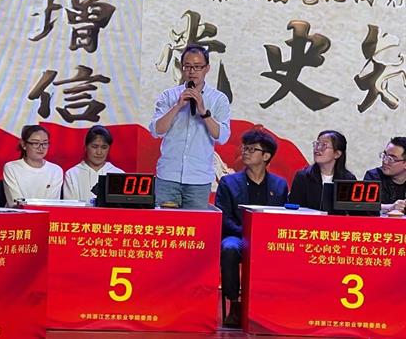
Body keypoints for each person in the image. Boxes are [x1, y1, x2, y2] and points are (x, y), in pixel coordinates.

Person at [215, 129, 288, 328]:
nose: (245, 152)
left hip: (267, 238)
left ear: (266, 156)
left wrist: (263, 235)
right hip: (237, 235)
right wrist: (248, 233)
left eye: (251, 149)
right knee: (229, 249)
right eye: (244, 148)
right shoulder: (229, 182)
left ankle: (270, 304)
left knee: (285, 250)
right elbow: (224, 217)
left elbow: (281, 218)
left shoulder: (280, 185)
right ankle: (235, 304)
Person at [148, 45, 231, 209]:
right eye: (187, 66)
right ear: (182, 68)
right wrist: (178, 106)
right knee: (165, 223)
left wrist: (203, 111)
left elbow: (222, 137)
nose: (192, 71)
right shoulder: (169, 96)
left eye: (197, 67)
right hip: (168, 176)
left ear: (207, 68)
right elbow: (156, 131)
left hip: (199, 180)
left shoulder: (218, 99)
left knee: (195, 224)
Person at [289, 130, 356, 211]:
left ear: (337, 154)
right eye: (317, 144)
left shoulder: (348, 179)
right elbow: (295, 210)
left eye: (324, 145)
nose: (317, 149)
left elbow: (352, 212)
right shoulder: (303, 177)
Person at [3, 125, 63, 207]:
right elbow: (16, 203)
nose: (41, 148)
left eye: (45, 143)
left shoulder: (56, 170)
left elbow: (52, 204)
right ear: (23, 144)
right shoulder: (11, 168)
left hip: (47, 214)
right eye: (35, 143)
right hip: (18, 214)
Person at [63, 125, 124, 201]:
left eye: (104, 147)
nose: (99, 152)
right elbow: (70, 206)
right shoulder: (72, 174)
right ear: (86, 147)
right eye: (94, 147)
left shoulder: (118, 174)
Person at [364, 137, 406, 214]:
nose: (385, 161)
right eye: (384, 155)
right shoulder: (373, 176)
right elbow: (366, 206)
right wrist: (390, 207)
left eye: (391, 159)